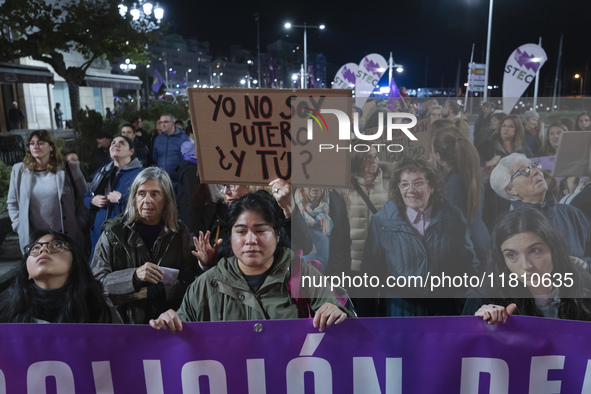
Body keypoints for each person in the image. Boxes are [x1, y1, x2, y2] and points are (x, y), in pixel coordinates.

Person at [149, 191, 351, 332]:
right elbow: (182, 328)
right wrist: (170, 322)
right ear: (231, 236)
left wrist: (337, 312)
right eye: (241, 231)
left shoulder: (303, 275)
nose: (251, 240)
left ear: (278, 236)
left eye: (261, 230)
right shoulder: (205, 285)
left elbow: (339, 315)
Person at [361, 157, 479, 317]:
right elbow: (369, 274)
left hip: (443, 311)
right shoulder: (382, 221)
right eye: (404, 184)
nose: (410, 190)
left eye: (418, 183)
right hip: (400, 311)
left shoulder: (453, 217)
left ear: (432, 187)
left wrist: (470, 305)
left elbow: (468, 264)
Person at [91, 167, 197, 324]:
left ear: (166, 200)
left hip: (166, 323)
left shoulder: (180, 233)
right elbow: (97, 281)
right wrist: (133, 275)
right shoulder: (113, 232)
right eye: (141, 194)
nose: (147, 200)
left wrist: (158, 291)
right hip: (123, 323)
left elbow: (189, 281)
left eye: (155, 194)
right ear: (134, 198)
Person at [464, 207, 591, 324]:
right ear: (502, 260)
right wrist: (479, 327)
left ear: (553, 249)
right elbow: (462, 344)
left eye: (535, 251)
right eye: (511, 255)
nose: (526, 265)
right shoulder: (485, 297)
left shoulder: (581, 282)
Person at [490, 153, 591, 266]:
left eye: (534, 166)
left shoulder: (572, 213)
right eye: (524, 171)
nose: (535, 171)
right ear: (510, 189)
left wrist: (585, 264)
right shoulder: (509, 228)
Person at [0, 230, 119, 323]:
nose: (43, 249)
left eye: (56, 245)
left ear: (75, 263)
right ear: (27, 273)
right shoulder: (8, 310)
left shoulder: (98, 308)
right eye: (35, 248)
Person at [7, 130, 88, 253]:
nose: (35, 146)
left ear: (51, 147)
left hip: (66, 235)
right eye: (32, 143)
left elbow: (84, 197)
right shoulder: (19, 170)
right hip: (34, 239)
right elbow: (12, 202)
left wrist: (80, 222)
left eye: (40, 143)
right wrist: (18, 225)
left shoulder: (69, 168)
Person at [432, 127, 490, 262]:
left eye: (432, 150)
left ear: (439, 156)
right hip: (481, 239)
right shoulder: (471, 172)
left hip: (467, 250)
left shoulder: (452, 185)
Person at [85, 135, 143, 260]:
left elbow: (146, 205)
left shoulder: (140, 175)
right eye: (113, 143)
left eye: (122, 143)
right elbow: (86, 197)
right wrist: (92, 200)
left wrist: (122, 199)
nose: (116, 145)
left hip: (124, 235)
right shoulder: (103, 171)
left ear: (131, 151)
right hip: (98, 234)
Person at [339, 147, 389, 272]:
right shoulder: (345, 185)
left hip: (381, 253)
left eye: (376, 156)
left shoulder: (387, 182)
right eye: (368, 157)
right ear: (358, 160)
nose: (374, 161)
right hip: (354, 255)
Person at [292, 187, 351, 276]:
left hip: (328, 278)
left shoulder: (337, 203)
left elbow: (343, 246)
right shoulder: (289, 202)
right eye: (310, 179)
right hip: (296, 278)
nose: (315, 185)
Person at [152, 113, 190, 191]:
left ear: (173, 123)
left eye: (166, 122)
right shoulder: (158, 139)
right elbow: (155, 158)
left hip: (179, 181)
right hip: (161, 181)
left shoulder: (183, 138)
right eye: (161, 122)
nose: (163, 125)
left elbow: (187, 160)